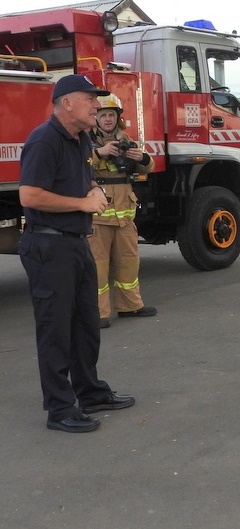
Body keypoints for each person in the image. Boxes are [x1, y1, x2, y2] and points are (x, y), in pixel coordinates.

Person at [17, 75, 136, 433]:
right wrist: (83, 202)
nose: (96, 106)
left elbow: (83, 179)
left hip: (75, 241)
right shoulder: (43, 140)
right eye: (90, 99)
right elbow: (30, 196)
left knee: (85, 323)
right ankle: (60, 408)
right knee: (55, 329)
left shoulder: (81, 139)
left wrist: (94, 190)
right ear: (67, 102)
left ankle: (90, 392)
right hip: (48, 245)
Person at [89, 93, 157, 328]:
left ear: (117, 118)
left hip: (125, 213)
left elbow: (149, 167)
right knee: (97, 266)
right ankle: (98, 314)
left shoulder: (126, 139)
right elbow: (77, 164)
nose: (107, 119)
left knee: (129, 261)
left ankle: (130, 306)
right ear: (95, 118)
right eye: (103, 115)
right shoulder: (85, 141)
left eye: (111, 115)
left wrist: (142, 156)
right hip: (99, 214)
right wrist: (101, 152)